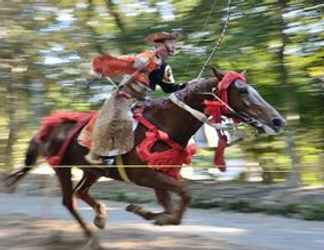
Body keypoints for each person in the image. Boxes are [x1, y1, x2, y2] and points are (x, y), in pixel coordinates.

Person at [85, 31, 186, 164]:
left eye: (174, 43)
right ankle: (99, 155)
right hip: (125, 97)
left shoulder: (165, 68)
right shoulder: (146, 57)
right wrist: (101, 67)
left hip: (144, 101)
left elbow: (169, 88)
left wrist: (188, 86)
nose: (174, 46)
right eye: (171, 43)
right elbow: (123, 62)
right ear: (160, 45)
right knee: (121, 119)